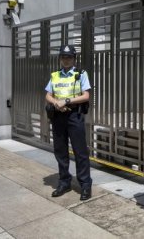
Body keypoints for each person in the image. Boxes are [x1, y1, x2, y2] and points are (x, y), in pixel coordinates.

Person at [45, 45, 92, 201]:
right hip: (58, 116)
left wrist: (66, 101)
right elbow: (48, 95)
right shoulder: (55, 75)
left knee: (80, 152)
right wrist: (56, 102)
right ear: (60, 58)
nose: (66, 60)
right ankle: (64, 182)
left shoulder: (81, 74)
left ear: (74, 58)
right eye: (63, 57)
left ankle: (85, 185)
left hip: (74, 115)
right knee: (60, 151)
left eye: (69, 57)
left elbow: (86, 96)